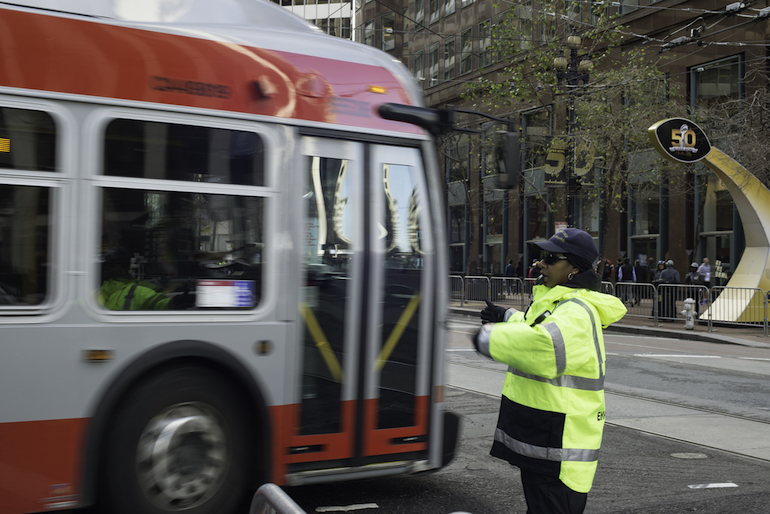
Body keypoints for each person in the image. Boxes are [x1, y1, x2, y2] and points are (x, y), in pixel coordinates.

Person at [472, 228, 627, 514]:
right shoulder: (560, 302)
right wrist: (507, 317)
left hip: (560, 444)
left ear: (573, 268)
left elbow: (545, 345)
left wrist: (488, 338)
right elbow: (538, 325)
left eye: (551, 258)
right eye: (541, 256)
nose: (540, 263)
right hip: (546, 435)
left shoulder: (578, 311)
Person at [99, 246, 192, 310]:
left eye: (112, 264)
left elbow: (158, 302)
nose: (108, 268)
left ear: (124, 266)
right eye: (107, 264)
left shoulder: (138, 290)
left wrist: (176, 301)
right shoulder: (102, 289)